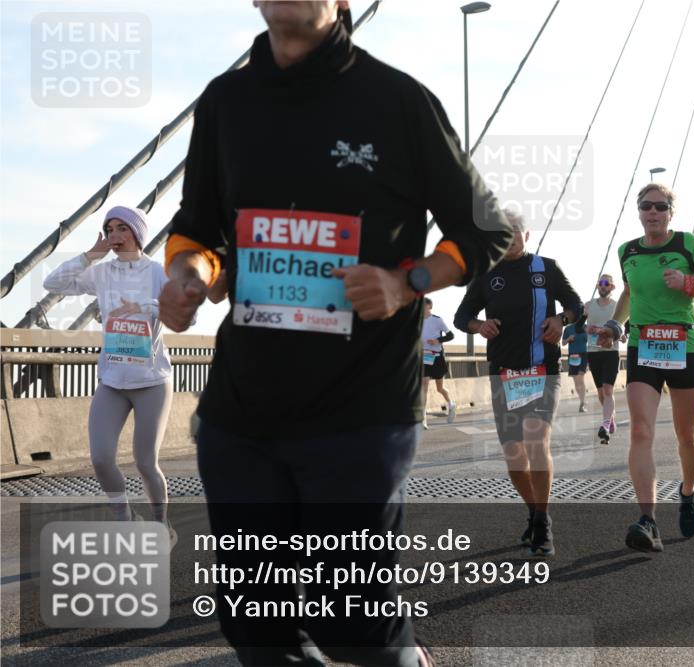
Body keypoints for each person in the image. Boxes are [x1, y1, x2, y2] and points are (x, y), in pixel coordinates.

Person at [158, 3, 512, 665]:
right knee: (256, 627)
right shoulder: (225, 101)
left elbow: (486, 228)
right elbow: (198, 227)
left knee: (353, 622)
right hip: (242, 409)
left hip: (361, 405)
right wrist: (188, 276)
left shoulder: (398, 102)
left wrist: (407, 280)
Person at [591, 184, 694, 551]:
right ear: (639, 211)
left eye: (660, 206)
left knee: (687, 436)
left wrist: (690, 283)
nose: (653, 212)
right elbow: (629, 292)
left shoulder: (687, 245)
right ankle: (647, 520)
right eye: (646, 206)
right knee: (640, 431)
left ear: (670, 212)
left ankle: (688, 491)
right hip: (643, 346)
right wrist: (615, 325)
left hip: (683, 346)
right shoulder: (628, 251)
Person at [454, 210, 582, 558]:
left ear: (526, 233)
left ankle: (542, 524)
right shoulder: (486, 274)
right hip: (504, 374)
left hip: (543, 371)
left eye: (514, 230)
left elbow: (575, 304)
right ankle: (535, 511)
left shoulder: (546, 268)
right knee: (514, 456)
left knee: (537, 441)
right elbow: (462, 316)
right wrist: (479, 326)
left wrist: (561, 319)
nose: (509, 236)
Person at [43, 206, 175, 539]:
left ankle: (161, 524)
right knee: (101, 459)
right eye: (109, 229)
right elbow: (52, 282)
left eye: (121, 228)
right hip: (113, 381)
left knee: (145, 462)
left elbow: (185, 312)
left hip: (152, 382)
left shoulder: (157, 273)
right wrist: (90, 255)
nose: (114, 235)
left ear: (137, 234)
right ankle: (126, 520)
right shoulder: (102, 273)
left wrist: (144, 307)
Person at [585, 274, 622, 444]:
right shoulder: (588, 305)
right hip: (593, 352)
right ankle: (610, 417)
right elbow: (579, 326)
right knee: (601, 392)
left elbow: (623, 332)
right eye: (600, 283)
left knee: (608, 390)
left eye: (606, 283)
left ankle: (605, 424)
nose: (602, 286)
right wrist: (587, 329)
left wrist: (618, 335)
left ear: (612, 287)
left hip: (611, 352)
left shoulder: (617, 307)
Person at [422, 297, 457, 428]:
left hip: (437, 356)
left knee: (439, 388)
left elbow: (451, 335)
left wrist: (437, 341)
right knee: (424, 385)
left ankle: (451, 404)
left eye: (423, 305)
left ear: (429, 307)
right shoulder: (417, 320)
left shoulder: (437, 320)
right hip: (425, 356)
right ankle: (423, 419)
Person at [562, 314, 589, 413]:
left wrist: (588, 333)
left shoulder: (585, 327)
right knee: (576, 382)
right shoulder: (568, 328)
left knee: (580, 379)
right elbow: (563, 343)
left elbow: (592, 340)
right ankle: (583, 400)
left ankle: (582, 403)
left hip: (583, 354)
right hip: (573, 355)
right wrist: (568, 339)